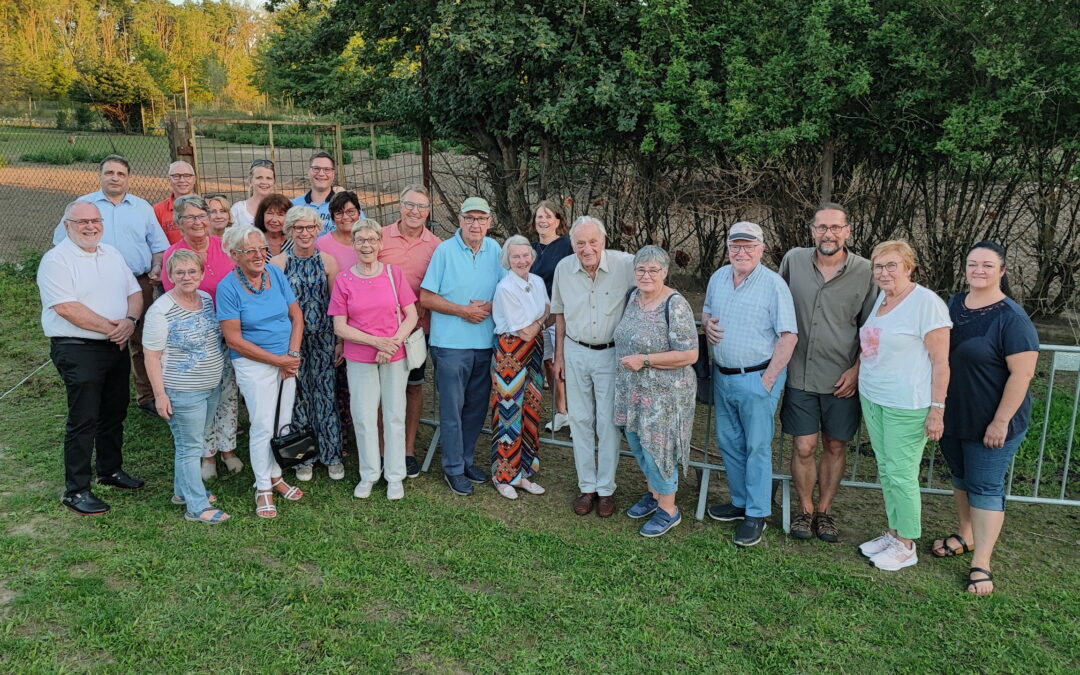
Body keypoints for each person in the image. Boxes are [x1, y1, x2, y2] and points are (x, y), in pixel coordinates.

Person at [931, 242, 1038, 595]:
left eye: (988, 265)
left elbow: (1022, 374)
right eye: (972, 263)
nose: (978, 270)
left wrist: (1000, 421)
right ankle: (967, 535)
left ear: (1002, 271)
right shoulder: (954, 305)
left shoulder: (1012, 318)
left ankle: (982, 563)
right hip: (954, 415)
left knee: (985, 486)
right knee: (961, 477)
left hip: (992, 420)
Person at [778, 203, 877, 542]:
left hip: (842, 378)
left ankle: (824, 511)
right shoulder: (793, 261)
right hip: (799, 374)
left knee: (835, 445)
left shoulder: (866, 271)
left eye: (835, 227)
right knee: (804, 446)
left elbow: (873, 328)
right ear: (812, 231)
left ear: (847, 231)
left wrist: (857, 370)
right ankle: (805, 511)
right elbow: (773, 304)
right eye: (821, 227)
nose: (828, 234)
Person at [39, 201, 145, 516]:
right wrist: (114, 329)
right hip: (78, 348)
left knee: (114, 410)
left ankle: (110, 470)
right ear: (67, 225)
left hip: (115, 345)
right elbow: (66, 308)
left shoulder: (111, 253)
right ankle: (77, 490)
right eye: (82, 221)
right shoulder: (56, 259)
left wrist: (130, 321)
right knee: (84, 417)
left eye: (95, 221)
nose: (90, 226)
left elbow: (134, 292)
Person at [856, 240, 951, 571]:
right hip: (874, 398)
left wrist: (937, 409)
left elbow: (941, 362)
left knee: (901, 473)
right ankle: (894, 532)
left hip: (906, 404)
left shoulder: (926, 303)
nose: (884, 272)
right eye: (878, 266)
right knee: (886, 469)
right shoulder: (882, 299)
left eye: (891, 265)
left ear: (909, 267)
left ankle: (907, 544)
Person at [702, 221, 798, 547]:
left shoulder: (774, 285)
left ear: (761, 249)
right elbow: (706, 312)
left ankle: (756, 513)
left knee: (757, 447)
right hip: (724, 376)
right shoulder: (718, 277)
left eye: (748, 246)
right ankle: (740, 501)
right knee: (729, 442)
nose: (741, 252)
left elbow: (789, 336)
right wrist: (707, 325)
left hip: (757, 377)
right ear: (728, 248)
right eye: (735, 246)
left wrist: (767, 381)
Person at [51, 154, 168, 417]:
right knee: (102, 334)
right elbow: (60, 242)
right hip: (94, 282)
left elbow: (158, 246)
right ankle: (100, 389)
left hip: (137, 282)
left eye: (120, 174)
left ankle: (147, 395)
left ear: (128, 178)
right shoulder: (83, 207)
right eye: (109, 173)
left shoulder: (142, 207)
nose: (115, 178)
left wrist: (157, 266)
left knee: (142, 340)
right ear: (100, 175)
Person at [217, 225, 305, 518]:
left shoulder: (275, 274)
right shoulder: (228, 287)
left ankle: (276, 475)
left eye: (262, 249)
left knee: (282, 422)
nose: (258, 255)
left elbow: (296, 315)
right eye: (250, 251)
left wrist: (292, 356)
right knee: (262, 424)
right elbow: (234, 340)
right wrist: (278, 362)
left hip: (287, 360)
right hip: (254, 364)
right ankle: (263, 487)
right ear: (234, 255)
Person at [550, 216, 635, 518]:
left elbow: (654, 283)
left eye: (593, 242)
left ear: (604, 241)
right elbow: (559, 314)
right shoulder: (563, 268)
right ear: (572, 244)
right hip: (575, 350)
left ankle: (606, 488)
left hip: (610, 354)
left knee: (608, 422)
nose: (587, 249)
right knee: (580, 419)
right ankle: (587, 486)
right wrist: (559, 356)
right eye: (580, 243)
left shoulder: (626, 265)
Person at [420, 197, 504, 496]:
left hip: (484, 343)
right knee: (452, 410)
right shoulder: (444, 251)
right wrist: (462, 311)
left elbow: (507, 292)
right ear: (460, 220)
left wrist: (490, 306)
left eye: (481, 219)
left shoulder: (496, 250)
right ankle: (453, 468)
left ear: (489, 222)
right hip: (450, 345)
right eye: (470, 218)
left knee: (476, 409)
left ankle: (466, 460)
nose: (475, 224)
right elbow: (426, 297)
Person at [330, 220, 418, 500]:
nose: (366, 245)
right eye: (360, 240)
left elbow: (411, 315)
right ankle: (369, 473)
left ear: (380, 243)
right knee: (364, 416)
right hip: (360, 357)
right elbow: (340, 327)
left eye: (371, 240)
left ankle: (395, 476)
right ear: (353, 244)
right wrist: (375, 342)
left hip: (394, 356)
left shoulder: (394, 274)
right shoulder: (344, 280)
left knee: (394, 414)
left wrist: (391, 345)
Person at [614, 246, 698, 537]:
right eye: (641, 269)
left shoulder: (675, 304)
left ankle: (668, 509)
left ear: (665, 272)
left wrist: (646, 360)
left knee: (658, 449)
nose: (646, 275)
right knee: (638, 444)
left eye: (653, 270)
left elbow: (690, 354)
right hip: (633, 391)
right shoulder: (633, 297)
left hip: (665, 395)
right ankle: (654, 494)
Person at [161, 194, 244, 479]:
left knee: (228, 394)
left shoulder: (225, 248)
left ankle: (228, 449)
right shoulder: (174, 255)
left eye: (201, 216)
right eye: (190, 217)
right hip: (194, 341)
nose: (197, 222)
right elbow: (175, 299)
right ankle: (207, 455)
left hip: (229, 334)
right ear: (179, 222)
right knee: (203, 398)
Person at [143, 250, 229, 524]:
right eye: (179, 272)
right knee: (190, 447)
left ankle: (183, 492)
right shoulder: (160, 310)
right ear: (170, 276)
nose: (186, 277)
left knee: (191, 442)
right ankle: (196, 506)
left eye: (192, 271)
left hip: (210, 386)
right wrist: (160, 395)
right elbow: (151, 356)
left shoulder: (206, 300)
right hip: (183, 391)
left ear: (202, 273)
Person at [270, 206, 344, 482]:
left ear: (317, 230)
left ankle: (332, 454)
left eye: (310, 227)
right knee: (297, 395)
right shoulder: (278, 264)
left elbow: (337, 305)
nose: (304, 233)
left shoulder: (328, 262)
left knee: (325, 393)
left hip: (323, 337)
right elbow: (275, 307)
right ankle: (304, 457)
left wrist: (339, 341)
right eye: (298, 228)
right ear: (290, 230)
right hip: (292, 340)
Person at [379, 184, 442, 477]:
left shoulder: (436, 246)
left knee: (413, 387)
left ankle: (407, 450)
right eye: (409, 204)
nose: (415, 211)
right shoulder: (380, 236)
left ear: (428, 211)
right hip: (381, 331)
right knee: (383, 391)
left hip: (417, 330)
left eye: (421, 206)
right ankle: (383, 451)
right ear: (400, 206)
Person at [490, 235, 549, 500]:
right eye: (516, 256)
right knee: (508, 413)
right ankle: (502, 476)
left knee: (530, 409)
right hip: (511, 352)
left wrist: (538, 321)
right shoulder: (505, 287)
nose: (522, 260)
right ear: (508, 260)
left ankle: (523, 472)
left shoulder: (536, 281)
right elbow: (525, 331)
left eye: (526, 255)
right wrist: (540, 320)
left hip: (534, 351)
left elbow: (548, 309)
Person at [528, 199, 574, 434]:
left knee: (563, 364)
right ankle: (561, 412)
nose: (543, 221)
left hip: (561, 316)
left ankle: (574, 414)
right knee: (549, 363)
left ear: (558, 221)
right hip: (537, 317)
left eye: (548, 216)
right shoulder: (530, 250)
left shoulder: (567, 246)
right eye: (539, 216)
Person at [291, 151, 342, 234]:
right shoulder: (293, 205)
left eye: (327, 169)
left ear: (333, 174)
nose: (321, 174)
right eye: (316, 168)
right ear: (309, 172)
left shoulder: (346, 205)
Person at [316, 191, 363, 272]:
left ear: (359, 213)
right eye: (339, 213)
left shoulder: (370, 239)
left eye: (350, 211)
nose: (345, 217)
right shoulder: (321, 245)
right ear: (333, 218)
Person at [153, 161, 197, 244]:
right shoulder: (158, 210)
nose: (182, 180)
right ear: (169, 180)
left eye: (187, 176)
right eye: (176, 176)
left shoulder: (206, 206)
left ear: (194, 179)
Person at [230, 159, 275, 229]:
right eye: (259, 178)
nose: (264, 182)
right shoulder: (238, 209)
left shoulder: (282, 209)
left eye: (268, 178)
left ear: (274, 182)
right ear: (250, 181)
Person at [254, 193, 293, 259]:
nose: (274, 220)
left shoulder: (294, 243)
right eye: (270, 213)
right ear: (262, 215)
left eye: (280, 214)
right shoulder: (253, 242)